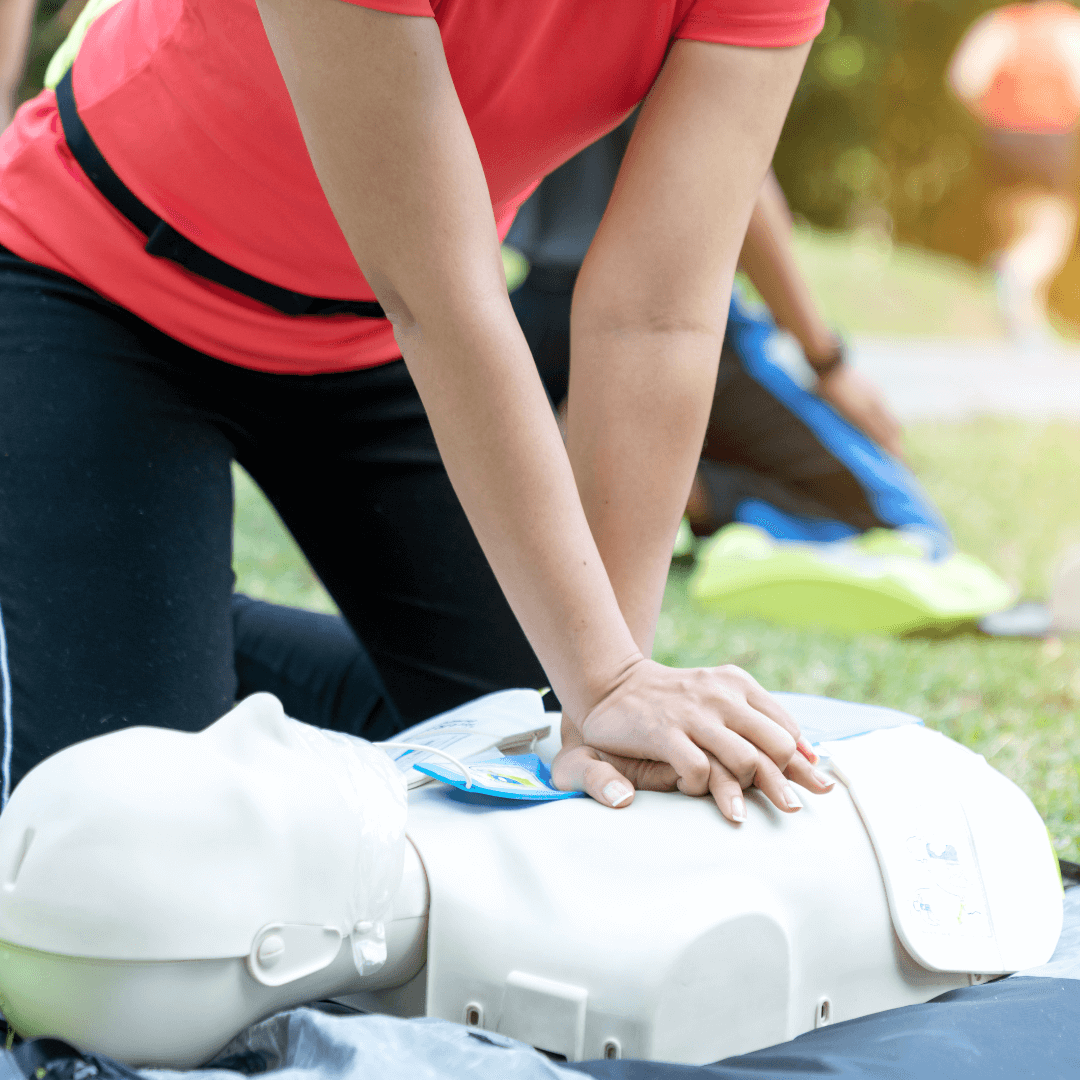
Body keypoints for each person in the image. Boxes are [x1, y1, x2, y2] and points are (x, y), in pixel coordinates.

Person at [0, 0, 835, 824]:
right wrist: (604, 674)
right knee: (123, 825)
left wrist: (603, 697)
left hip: (372, 342)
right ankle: (53, 618)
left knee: (531, 731)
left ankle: (129, 614)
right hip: (92, 285)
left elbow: (656, 312)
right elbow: (435, 290)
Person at [508, 124, 949, 549]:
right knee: (905, 528)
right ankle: (629, 482)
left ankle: (613, 471)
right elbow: (740, 173)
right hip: (667, 313)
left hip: (536, 311)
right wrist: (827, 362)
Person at [948, 0, 1080, 346]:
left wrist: (990, 116)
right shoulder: (1067, 25)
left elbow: (963, 79)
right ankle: (1013, 278)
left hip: (1001, 138)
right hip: (1048, 137)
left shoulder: (1001, 23)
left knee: (1013, 227)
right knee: (1052, 229)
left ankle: (1024, 327)